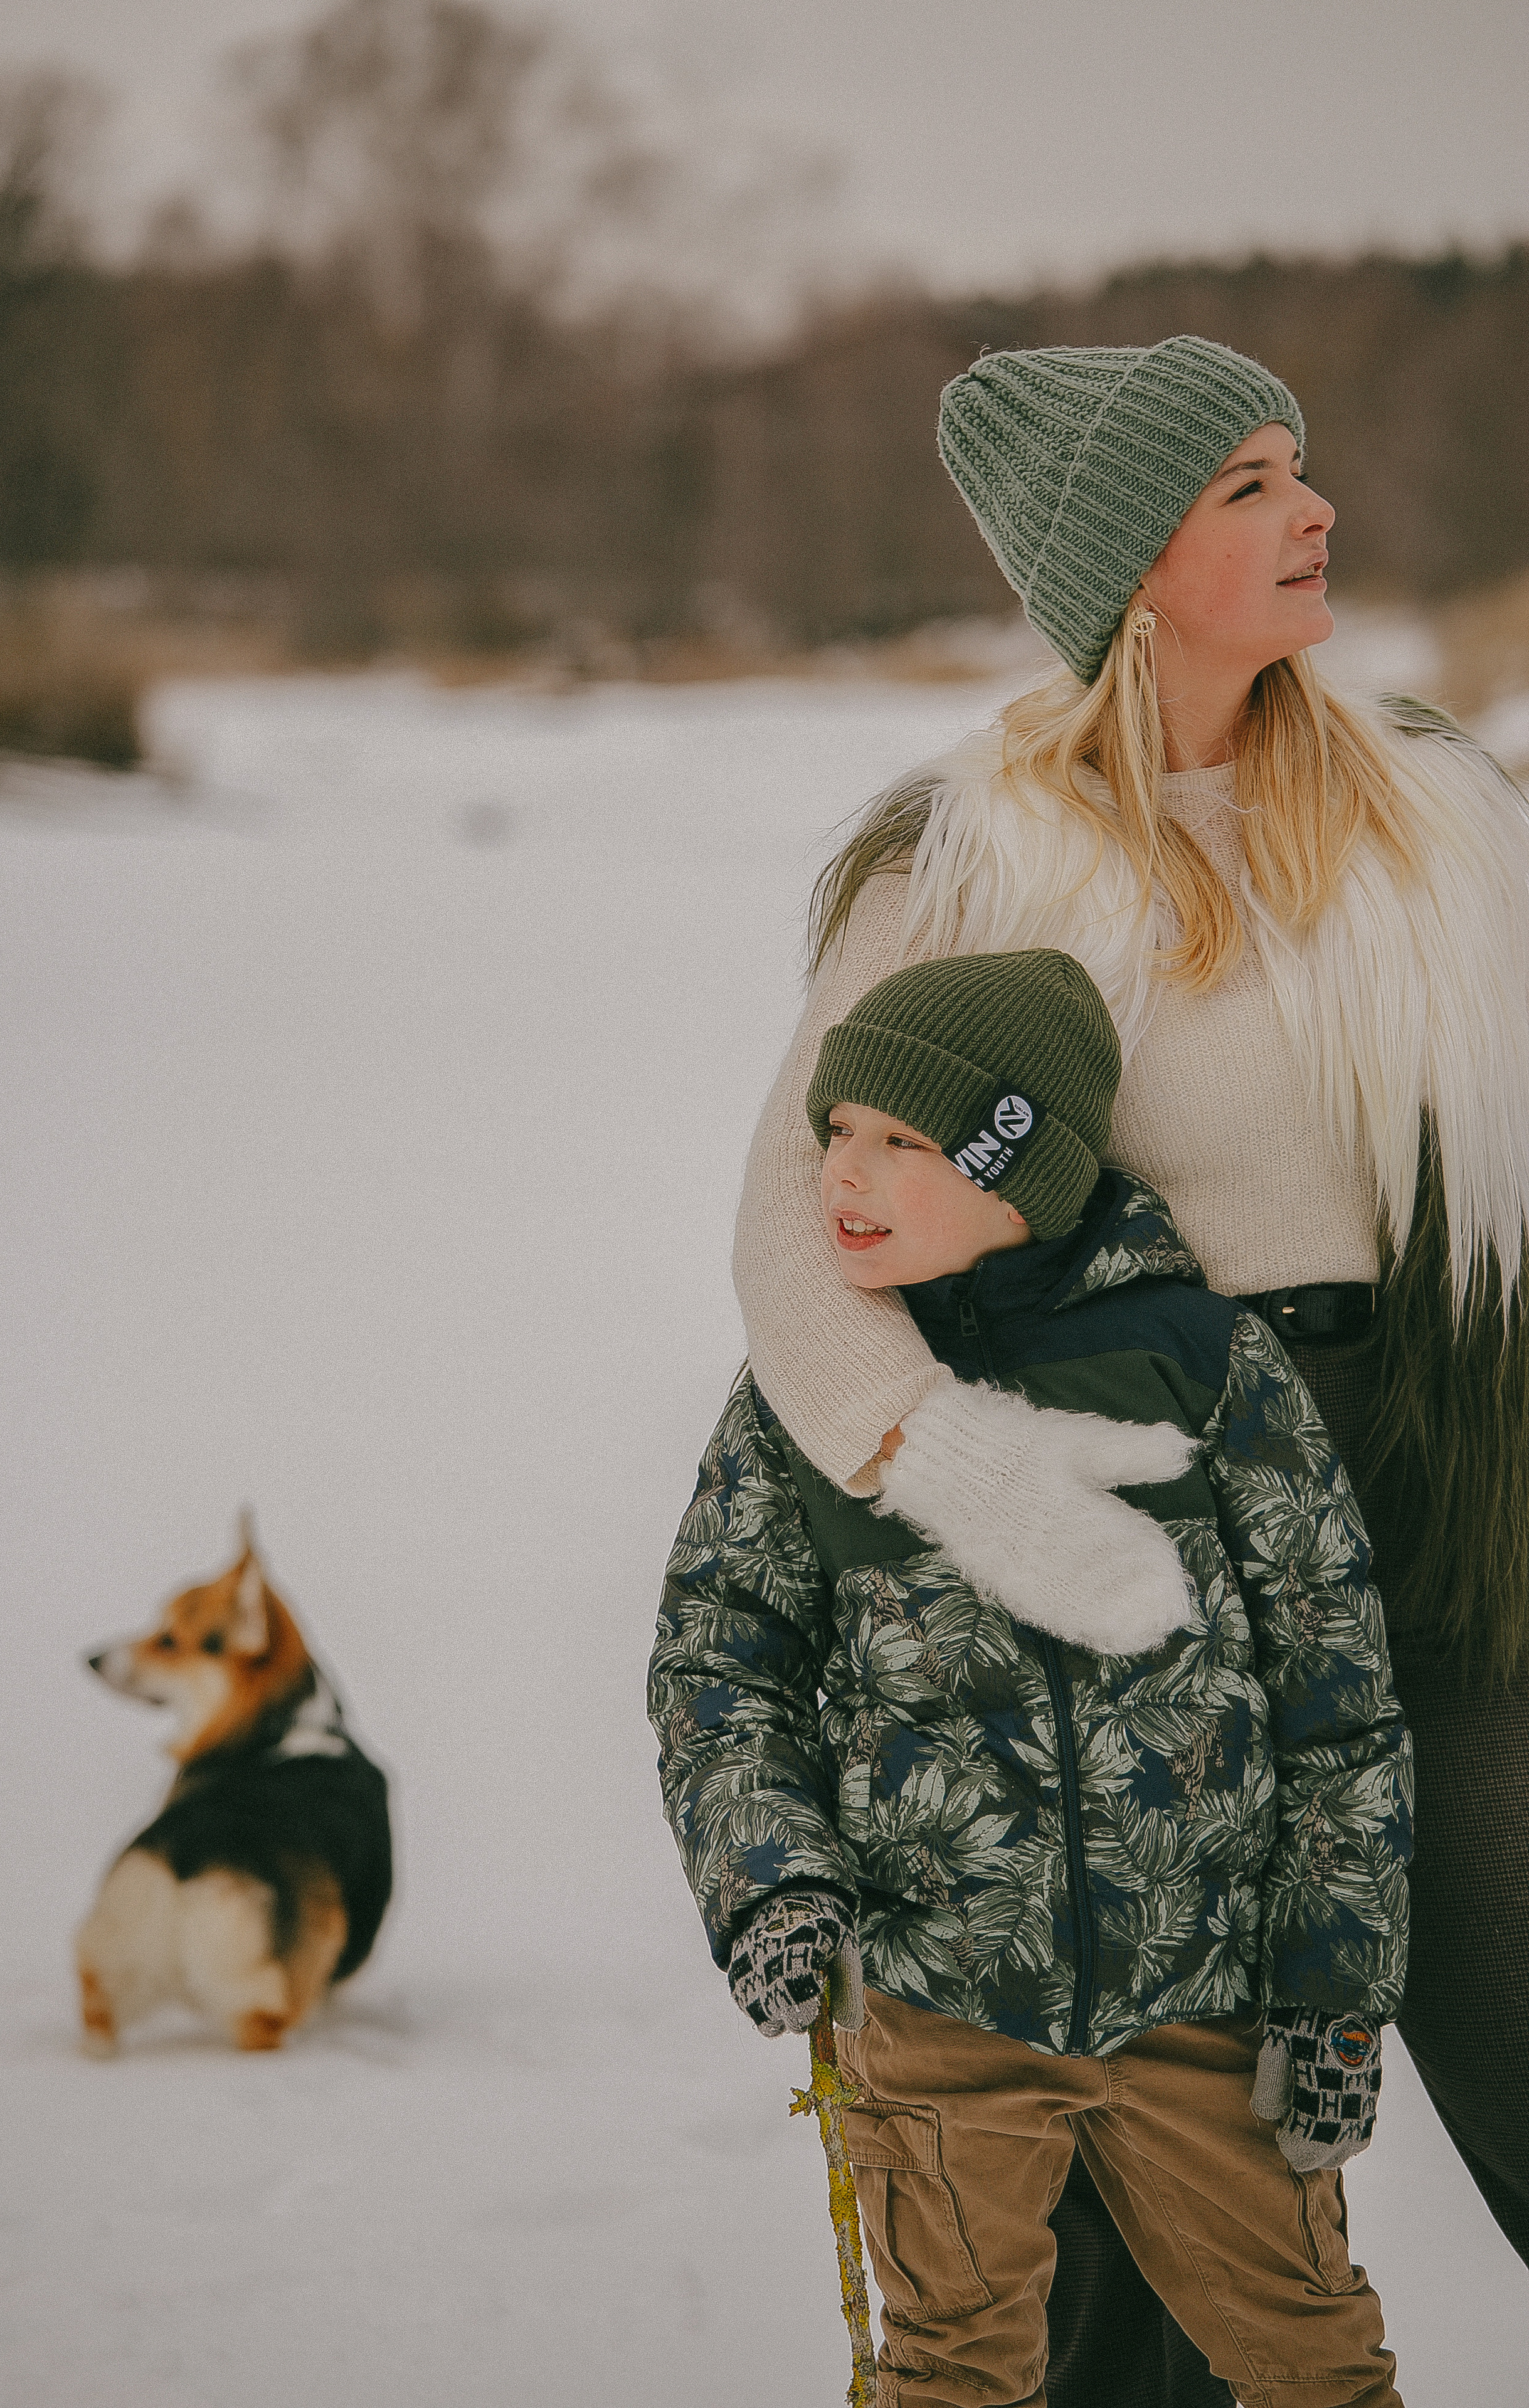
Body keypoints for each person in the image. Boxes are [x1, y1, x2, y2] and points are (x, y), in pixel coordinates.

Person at [729, 335, 1529, 2404]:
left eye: (1300, 464)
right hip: (1155, 1548)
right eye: (1250, 482)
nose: (1315, 507)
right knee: (1147, 2209)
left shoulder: (1444, 818)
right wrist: (977, 1489)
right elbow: (799, 1240)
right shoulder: (971, 866)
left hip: (1455, 1518)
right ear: (1129, 562)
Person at [650, 946, 1412, 2408]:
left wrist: (1332, 1989)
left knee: (1313, 2359)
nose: (842, 1172)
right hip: (932, 2006)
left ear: (1018, 1168)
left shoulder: (1204, 1367)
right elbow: (718, 1662)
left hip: (1206, 2005)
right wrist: (771, 1884)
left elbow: (1340, 1706)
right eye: (836, 1130)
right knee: (951, 2370)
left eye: (902, 1139)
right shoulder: (812, 1395)